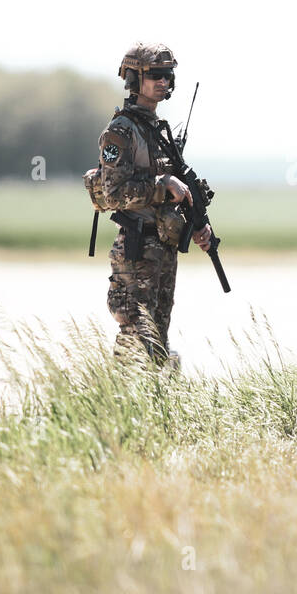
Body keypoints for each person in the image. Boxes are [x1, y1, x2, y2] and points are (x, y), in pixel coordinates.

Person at [82, 44, 212, 367]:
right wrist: (162, 186)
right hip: (136, 249)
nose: (163, 82)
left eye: (167, 75)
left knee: (158, 342)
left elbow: (176, 187)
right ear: (134, 79)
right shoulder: (120, 131)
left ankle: (154, 397)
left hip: (163, 248)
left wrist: (198, 225)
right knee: (135, 340)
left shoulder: (157, 130)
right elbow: (113, 193)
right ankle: (119, 397)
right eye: (155, 75)